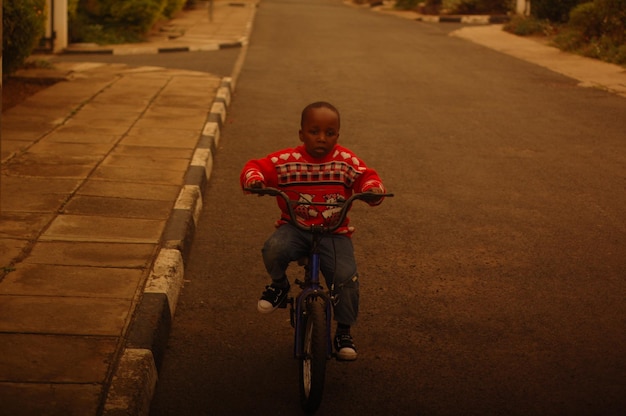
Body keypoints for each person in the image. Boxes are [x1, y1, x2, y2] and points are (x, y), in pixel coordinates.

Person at [240, 101, 387, 361]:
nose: (322, 138)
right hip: (295, 227)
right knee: (273, 249)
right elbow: (256, 166)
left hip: (333, 232)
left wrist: (373, 189)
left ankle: (343, 330)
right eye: (314, 131)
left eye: (329, 133)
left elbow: (366, 176)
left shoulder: (345, 162)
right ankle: (279, 285)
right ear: (301, 134)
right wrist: (255, 180)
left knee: (345, 277)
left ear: (337, 136)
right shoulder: (286, 161)